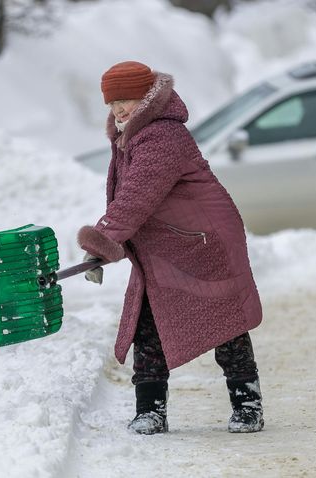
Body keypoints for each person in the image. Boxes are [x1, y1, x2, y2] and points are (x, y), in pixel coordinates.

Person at [77, 61, 264, 435]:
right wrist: (107, 241)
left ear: (146, 97)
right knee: (148, 324)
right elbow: (129, 199)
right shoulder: (131, 135)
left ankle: (248, 405)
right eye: (112, 104)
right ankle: (151, 410)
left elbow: (135, 197)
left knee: (225, 322)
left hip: (204, 241)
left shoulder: (162, 135)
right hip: (167, 244)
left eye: (126, 100)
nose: (118, 110)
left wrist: (104, 239)